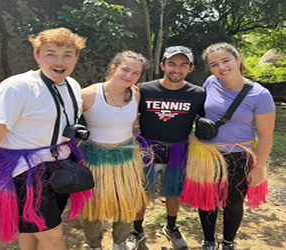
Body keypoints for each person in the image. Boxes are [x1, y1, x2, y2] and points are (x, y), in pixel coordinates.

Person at [0, 28, 90, 250]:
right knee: (53, 238)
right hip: (26, 173)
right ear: (37, 56)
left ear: (76, 57)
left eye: (67, 55)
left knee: (32, 230)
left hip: (62, 168)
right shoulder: (18, 86)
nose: (59, 61)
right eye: (50, 54)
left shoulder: (72, 85)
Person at [179, 42, 276, 250]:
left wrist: (259, 168)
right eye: (214, 64)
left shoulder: (260, 95)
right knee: (207, 201)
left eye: (226, 60)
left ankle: (228, 242)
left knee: (234, 203)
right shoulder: (211, 82)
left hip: (239, 156)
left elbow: (266, 136)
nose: (221, 67)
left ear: (238, 59)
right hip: (206, 155)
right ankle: (209, 240)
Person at [126, 46, 206, 250]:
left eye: (183, 65)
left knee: (174, 193)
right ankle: (137, 230)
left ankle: (171, 226)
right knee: (141, 193)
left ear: (191, 68)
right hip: (147, 148)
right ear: (163, 65)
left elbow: (210, 118)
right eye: (171, 64)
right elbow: (129, 116)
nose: (176, 69)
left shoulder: (198, 94)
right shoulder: (143, 89)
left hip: (178, 151)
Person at [79, 50, 150, 250]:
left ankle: (119, 243)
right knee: (93, 208)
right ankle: (94, 245)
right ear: (113, 68)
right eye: (125, 70)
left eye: (135, 73)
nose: (129, 76)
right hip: (95, 160)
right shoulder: (88, 94)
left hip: (127, 158)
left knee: (127, 205)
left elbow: (133, 120)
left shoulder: (135, 94)